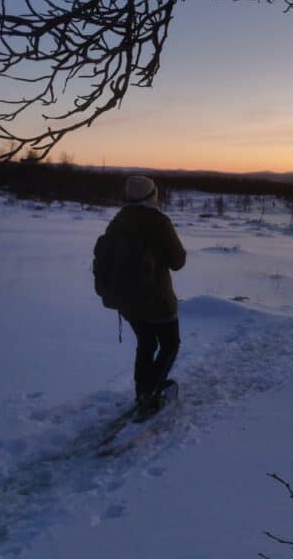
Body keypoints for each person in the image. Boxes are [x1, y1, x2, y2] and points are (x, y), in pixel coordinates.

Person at [101, 176, 186, 417]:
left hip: (127, 303)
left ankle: (142, 392)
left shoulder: (118, 220)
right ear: (152, 196)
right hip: (158, 300)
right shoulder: (159, 222)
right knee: (170, 344)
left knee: (146, 344)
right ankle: (151, 393)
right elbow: (177, 261)